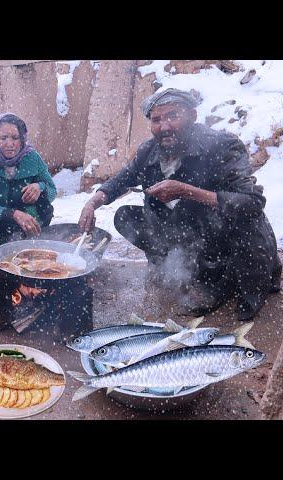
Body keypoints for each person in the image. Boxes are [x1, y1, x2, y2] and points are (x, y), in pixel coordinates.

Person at [78, 88, 281, 321]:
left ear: (192, 116)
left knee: (243, 296)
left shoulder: (222, 146)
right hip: (194, 232)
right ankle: (180, 269)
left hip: (226, 235)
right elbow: (123, 179)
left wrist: (187, 191)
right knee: (126, 217)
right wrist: (94, 202)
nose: (164, 126)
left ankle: (231, 281)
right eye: (157, 120)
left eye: (173, 116)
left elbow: (252, 203)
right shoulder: (149, 150)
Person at [0, 112, 57, 254]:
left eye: (15, 138)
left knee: (45, 206)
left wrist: (39, 187)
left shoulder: (31, 157)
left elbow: (52, 190)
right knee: (0, 253)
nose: (10, 144)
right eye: (3, 138)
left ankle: (33, 238)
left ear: (22, 138)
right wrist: (14, 214)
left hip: (27, 214)